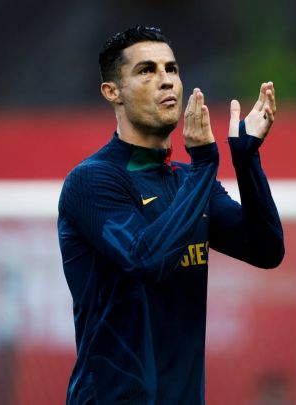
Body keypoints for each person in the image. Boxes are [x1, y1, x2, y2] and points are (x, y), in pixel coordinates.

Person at [58, 25, 284, 404]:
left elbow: (266, 250)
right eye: (146, 70)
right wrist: (204, 163)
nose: (166, 81)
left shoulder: (187, 179)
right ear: (112, 92)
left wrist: (246, 160)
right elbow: (147, 260)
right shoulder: (93, 181)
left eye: (172, 69)